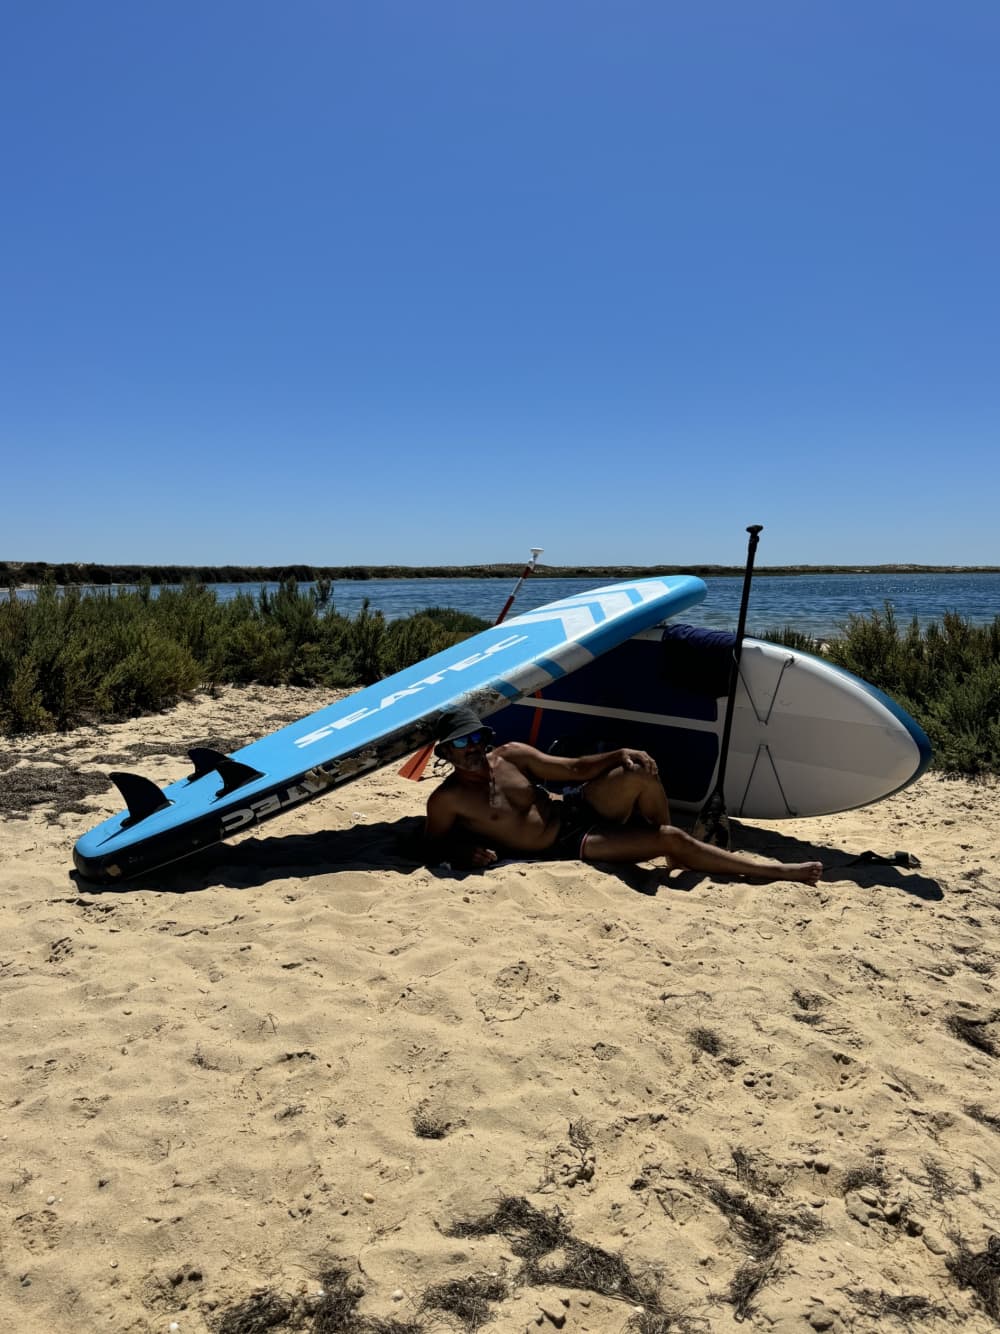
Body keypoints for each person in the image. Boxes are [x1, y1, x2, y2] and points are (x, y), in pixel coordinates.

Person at [422, 705, 822, 884]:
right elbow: (432, 844)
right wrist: (461, 853)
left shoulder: (511, 755)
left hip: (575, 809)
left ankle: (670, 847)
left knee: (640, 772)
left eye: (477, 737)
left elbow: (574, 769)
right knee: (671, 837)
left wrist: (620, 753)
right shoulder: (446, 799)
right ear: (445, 752)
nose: (472, 747)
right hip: (567, 844)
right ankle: (774, 871)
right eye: (462, 742)